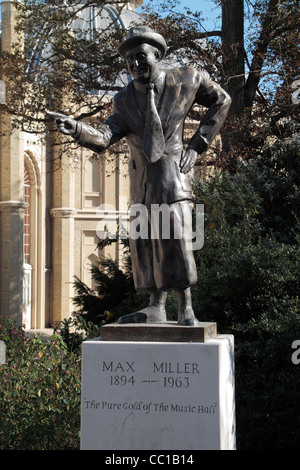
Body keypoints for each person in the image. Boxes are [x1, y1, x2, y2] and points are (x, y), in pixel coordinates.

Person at [48, 26, 231, 326]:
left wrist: (198, 145)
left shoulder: (185, 79)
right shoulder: (123, 100)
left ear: (157, 55)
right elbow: (105, 135)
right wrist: (78, 129)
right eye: (129, 60)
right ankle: (155, 306)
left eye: (140, 56)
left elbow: (222, 101)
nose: (135, 64)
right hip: (142, 187)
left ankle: (186, 309)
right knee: (145, 245)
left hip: (173, 180)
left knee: (176, 239)